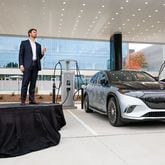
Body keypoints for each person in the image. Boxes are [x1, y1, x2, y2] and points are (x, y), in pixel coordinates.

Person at [19, 28, 46, 105]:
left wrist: (42, 53)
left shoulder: (38, 45)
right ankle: (23, 100)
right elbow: (21, 55)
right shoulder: (24, 43)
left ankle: (31, 100)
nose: (36, 33)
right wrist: (21, 65)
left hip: (35, 66)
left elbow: (39, 58)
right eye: (34, 32)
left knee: (33, 84)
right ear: (29, 33)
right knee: (25, 83)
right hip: (27, 66)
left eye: (36, 32)